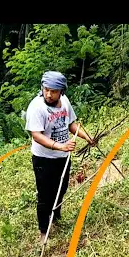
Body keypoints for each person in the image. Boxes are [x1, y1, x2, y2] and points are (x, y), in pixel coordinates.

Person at [25, 71, 94, 243]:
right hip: (43, 159)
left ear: (61, 91)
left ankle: (55, 217)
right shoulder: (36, 107)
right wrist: (60, 146)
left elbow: (70, 124)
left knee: (61, 189)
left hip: (63, 157)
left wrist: (86, 137)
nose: (49, 94)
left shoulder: (65, 103)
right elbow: (36, 135)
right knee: (44, 195)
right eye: (46, 89)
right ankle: (43, 231)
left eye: (53, 91)